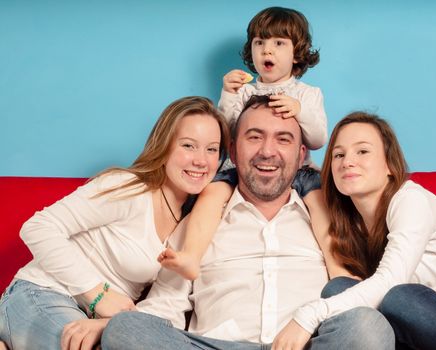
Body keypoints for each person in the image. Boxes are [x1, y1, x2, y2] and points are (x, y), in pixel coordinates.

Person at [101, 95, 396, 349]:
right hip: (219, 345)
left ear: (301, 155)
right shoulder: (200, 223)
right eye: (254, 137)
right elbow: (166, 304)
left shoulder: (329, 219)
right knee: (126, 330)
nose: (267, 151)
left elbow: (358, 296)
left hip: (306, 344)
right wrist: (116, 323)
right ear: (232, 150)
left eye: (283, 139)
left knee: (369, 326)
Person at [275, 111, 436, 349]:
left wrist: (307, 316)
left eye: (362, 151)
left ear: (390, 166)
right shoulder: (352, 223)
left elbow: (392, 282)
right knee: (338, 287)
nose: (348, 162)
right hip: (413, 340)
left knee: (400, 297)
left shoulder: (411, 199)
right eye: (338, 155)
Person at [0, 96, 229, 350]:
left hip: (99, 324)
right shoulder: (128, 188)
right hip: (41, 293)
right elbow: (39, 227)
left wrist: (116, 323)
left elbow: (166, 300)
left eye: (212, 149)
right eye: (188, 146)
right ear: (164, 147)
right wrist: (98, 294)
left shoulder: (194, 223)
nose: (201, 160)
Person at [161, 6, 344, 282]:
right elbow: (227, 134)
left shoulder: (307, 94)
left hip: (299, 170)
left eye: (278, 44)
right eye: (260, 43)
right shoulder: (245, 90)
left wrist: (299, 110)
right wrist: (228, 94)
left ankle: (338, 269)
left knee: (321, 206)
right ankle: (191, 255)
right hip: (245, 170)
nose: (267, 51)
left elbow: (318, 138)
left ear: (297, 53)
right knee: (211, 195)